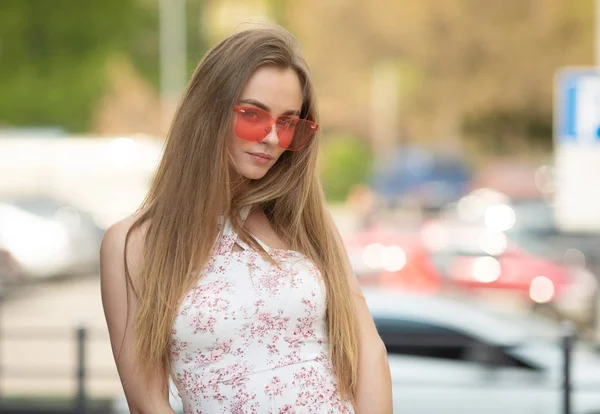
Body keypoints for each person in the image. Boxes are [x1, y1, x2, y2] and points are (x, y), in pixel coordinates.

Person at [100, 24, 392, 414]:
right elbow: (148, 403)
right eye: (253, 115)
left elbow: (369, 351)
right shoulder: (133, 243)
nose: (272, 137)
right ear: (208, 111)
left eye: (288, 122)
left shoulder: (304, 222)